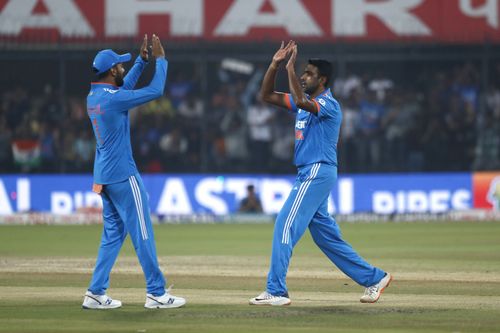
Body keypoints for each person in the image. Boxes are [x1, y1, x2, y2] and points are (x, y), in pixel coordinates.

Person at [249, 41, 392, 306]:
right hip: (311, 171)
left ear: (322, 79)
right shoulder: (305, 102)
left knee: (284, 224)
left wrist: (290, 69)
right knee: (325, 237)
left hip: (317, 170)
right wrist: (274, 65)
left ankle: (276, 290)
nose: (303, 76)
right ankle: (374, 278)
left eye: (308, 73)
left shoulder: (329, 104)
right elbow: (266, 96)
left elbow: (302, 101)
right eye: (302, 72)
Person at [82, 34, 186, 310]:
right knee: (142, 232)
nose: (123, 69)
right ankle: (156, 292)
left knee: (113, 235)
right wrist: (161, 60)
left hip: (104, 176)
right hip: (124, 175)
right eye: (120, 66)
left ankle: (95, 292)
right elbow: (155, 91)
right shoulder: (112, 99)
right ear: (110, 71)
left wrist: (141, 61)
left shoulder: (95, 95)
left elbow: (122, 90)